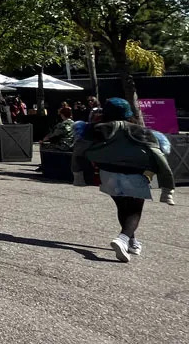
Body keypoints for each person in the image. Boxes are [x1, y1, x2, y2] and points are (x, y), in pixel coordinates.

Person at [72, 97, 176, 262]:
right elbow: (161, 156)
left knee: (122, 206)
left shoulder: (94, 129)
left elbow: (78, 151)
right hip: (135, 174)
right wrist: (167, 187)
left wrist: (78, 174)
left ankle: (132, 242)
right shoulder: (142, 132)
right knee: (135, 209)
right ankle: (122, 239)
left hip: (108, 173)